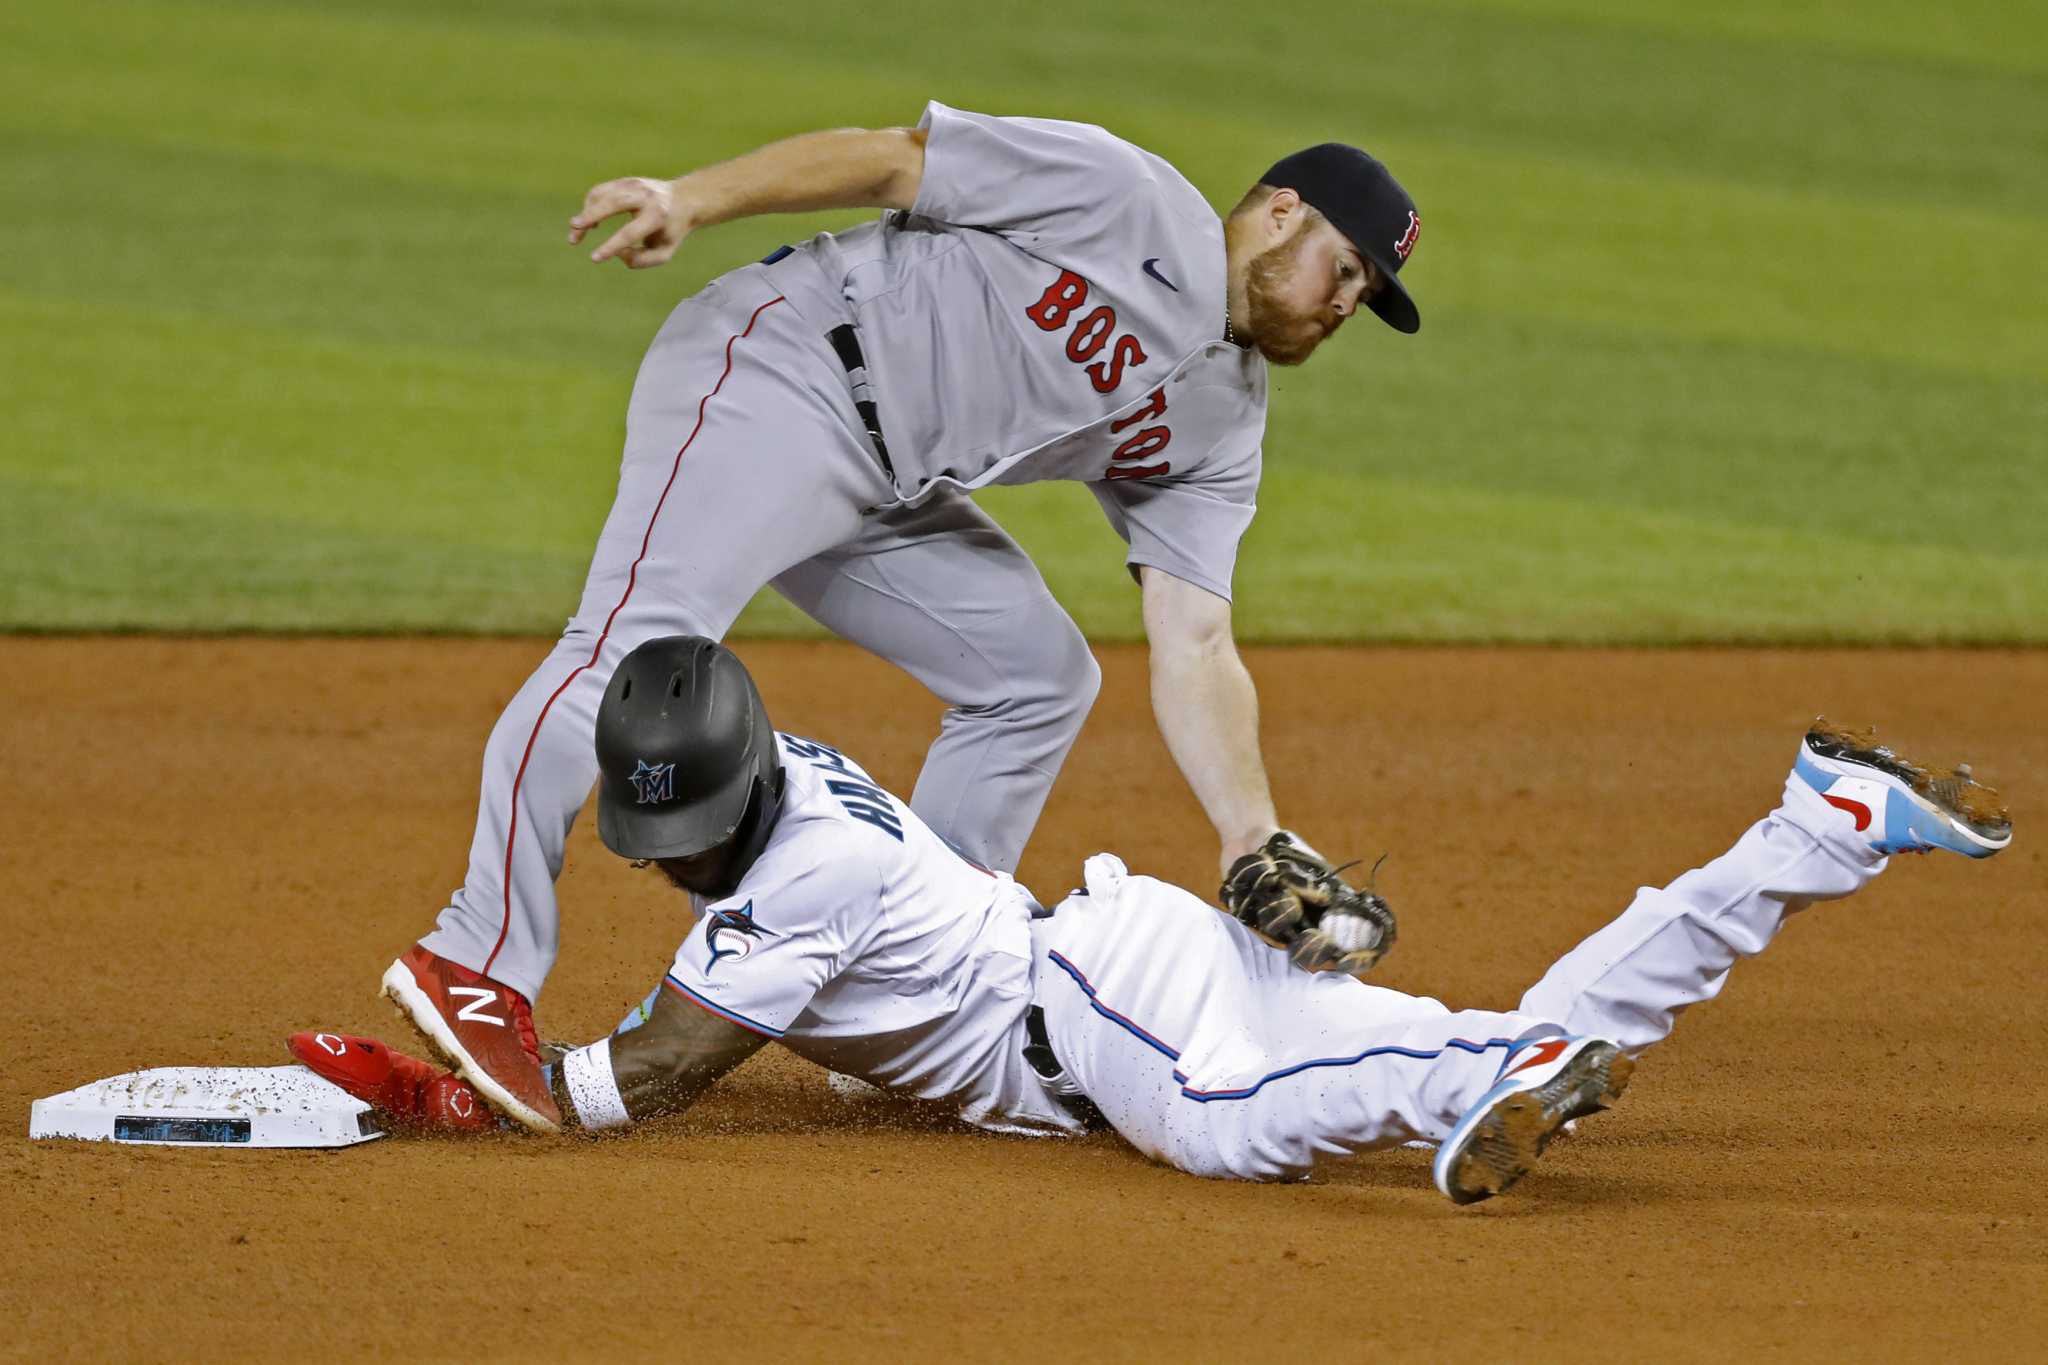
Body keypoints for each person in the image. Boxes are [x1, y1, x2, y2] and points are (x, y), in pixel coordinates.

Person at [381, 103, 1430, 1132]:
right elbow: (891, 164)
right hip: (781, 370)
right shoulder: (1124, 197)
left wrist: (1252, 834)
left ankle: (920, 981)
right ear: (1282, 213)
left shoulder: (1220, 421)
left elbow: (1195, 638)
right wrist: (688, 198)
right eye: (1345, 268)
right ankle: (473, 957)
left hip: (886, 489)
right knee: (629, 646)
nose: (1343, 304)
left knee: (1037, 680)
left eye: (1366, 294)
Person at [320, 637, 2011, 1205]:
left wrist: (500, 1092)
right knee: (1483, 1037)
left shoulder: (799, 872)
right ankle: (1817, 828)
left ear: (731, 792)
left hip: (1110, 1013)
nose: (670, 857)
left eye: (680, 829)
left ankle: (1487, 1083)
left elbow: (663, 1067)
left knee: (1217, 1132)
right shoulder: (799, 776)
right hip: (1133, 964)